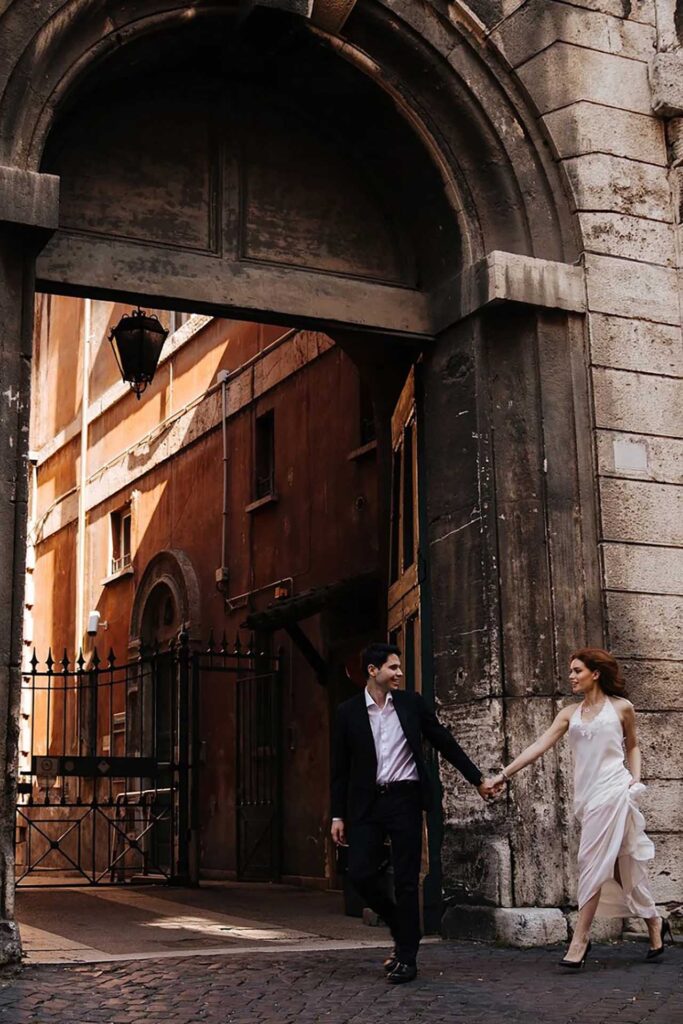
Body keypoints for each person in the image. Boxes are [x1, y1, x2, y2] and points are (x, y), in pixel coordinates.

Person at [492, 648, 674, 967]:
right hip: (587, 797)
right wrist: (504, 774)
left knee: (589, 860)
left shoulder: (622, 708)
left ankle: (580, 939)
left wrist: (635, 780)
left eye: (577, 670)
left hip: (615, 790)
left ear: (596, 673)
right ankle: (654, 922)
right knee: (623, 865)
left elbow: (632, 745)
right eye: (571, 671)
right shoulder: (568, 713)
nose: (572, 676)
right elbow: (539, 745)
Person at [331, 642, 501, 984]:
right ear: (373, 671)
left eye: (399, 667)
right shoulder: (347, 712)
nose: (399, 673)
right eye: (393, 667)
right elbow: (340, 768)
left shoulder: (411, 705)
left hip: (404, 800)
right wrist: (337, 815)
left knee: (407, 880)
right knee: (360, 873)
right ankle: (401, 926)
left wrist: (477, 779)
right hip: (366, 804)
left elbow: (444, 741)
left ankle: (407, 956)